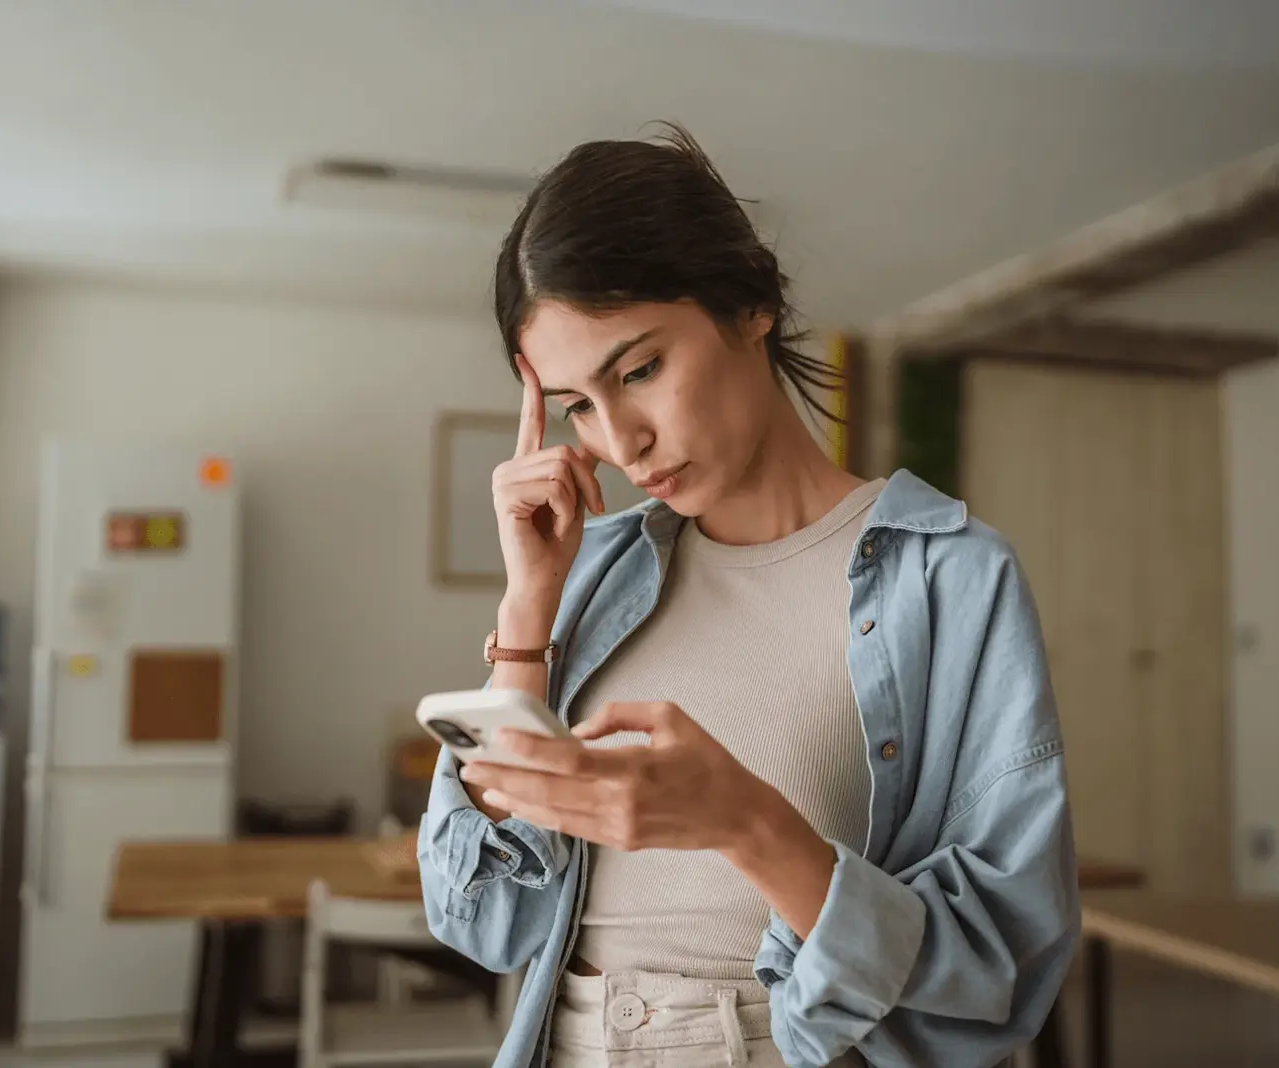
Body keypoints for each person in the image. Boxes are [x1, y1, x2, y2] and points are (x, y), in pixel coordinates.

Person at [418, 124, 1079, 1068]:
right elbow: (482, 922)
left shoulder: (952, 580)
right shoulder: (588, 576)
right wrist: (527, 612)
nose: (621, 442)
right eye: (578, 407)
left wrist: (746, 823)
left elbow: (1003, 967)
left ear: (751, 303)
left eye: (639, 371)